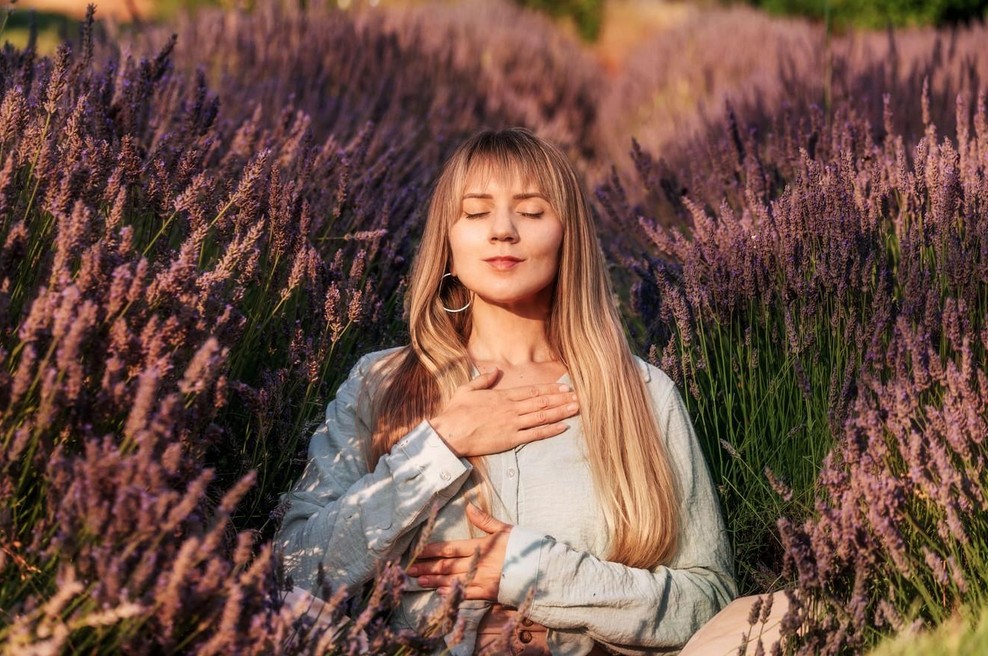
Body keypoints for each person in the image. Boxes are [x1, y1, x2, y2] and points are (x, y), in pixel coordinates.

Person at [277, 128, 736, 655]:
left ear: (567, 237)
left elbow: (710, 601)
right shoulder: (379, 382)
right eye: (476, 213)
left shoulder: (642, 393)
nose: (502, 231)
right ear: (448, 244)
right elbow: (294, 571)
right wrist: (439, 443)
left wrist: (533, 571)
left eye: (531, 211)